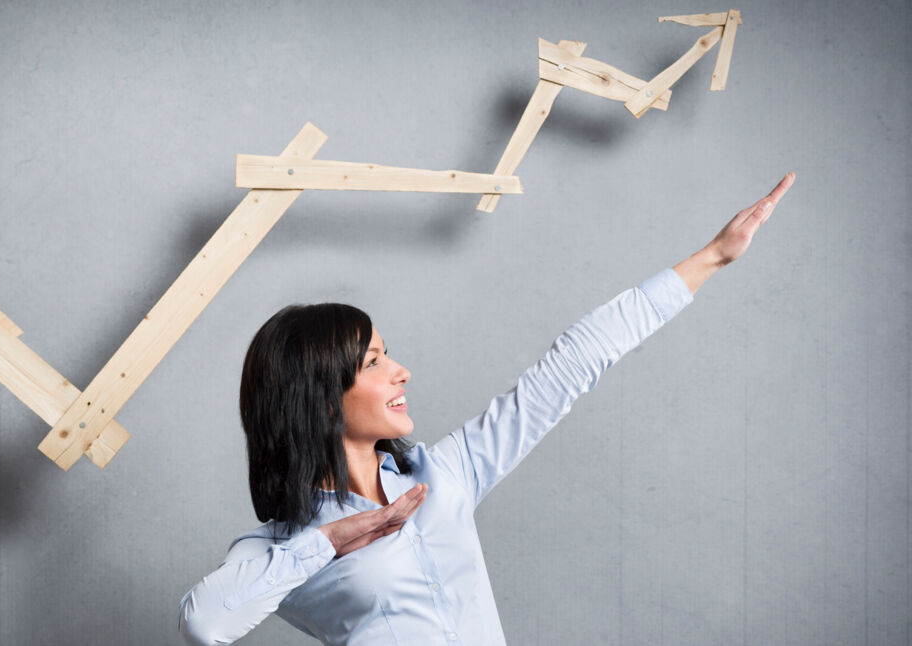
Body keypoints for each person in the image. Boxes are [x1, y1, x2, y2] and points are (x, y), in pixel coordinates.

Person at [179, 173, 796, 645]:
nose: (400, 371)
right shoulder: (285, 546)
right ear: (318, 397)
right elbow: (205, 622)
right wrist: (333, 540)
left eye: (388, 354)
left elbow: (570, 364)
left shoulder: (443, 475)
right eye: (373, 363)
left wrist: (713, 256)